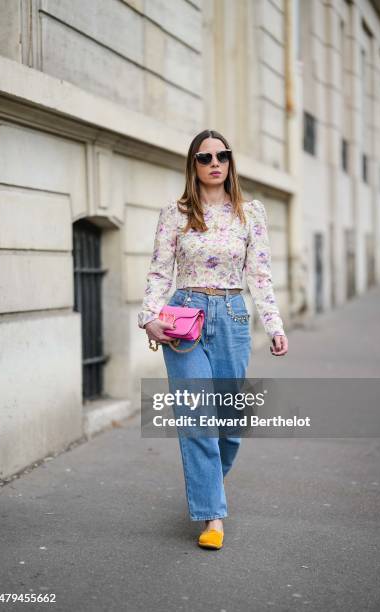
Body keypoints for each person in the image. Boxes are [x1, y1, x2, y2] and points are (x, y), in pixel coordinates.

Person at [137, 129, 288, 549]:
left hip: (234, 317)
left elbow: (259, 275)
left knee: (230, 425)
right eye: (205, 158)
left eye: (222, 155)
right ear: (194, 164)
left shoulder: (250, 213)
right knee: (197, 420)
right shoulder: (176, 213)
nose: (214, 162)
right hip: (185, 318)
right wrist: (148, 317)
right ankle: (212, 517)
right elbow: (159, 271)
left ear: (230, 162)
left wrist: (274, 324)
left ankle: (206, 486)